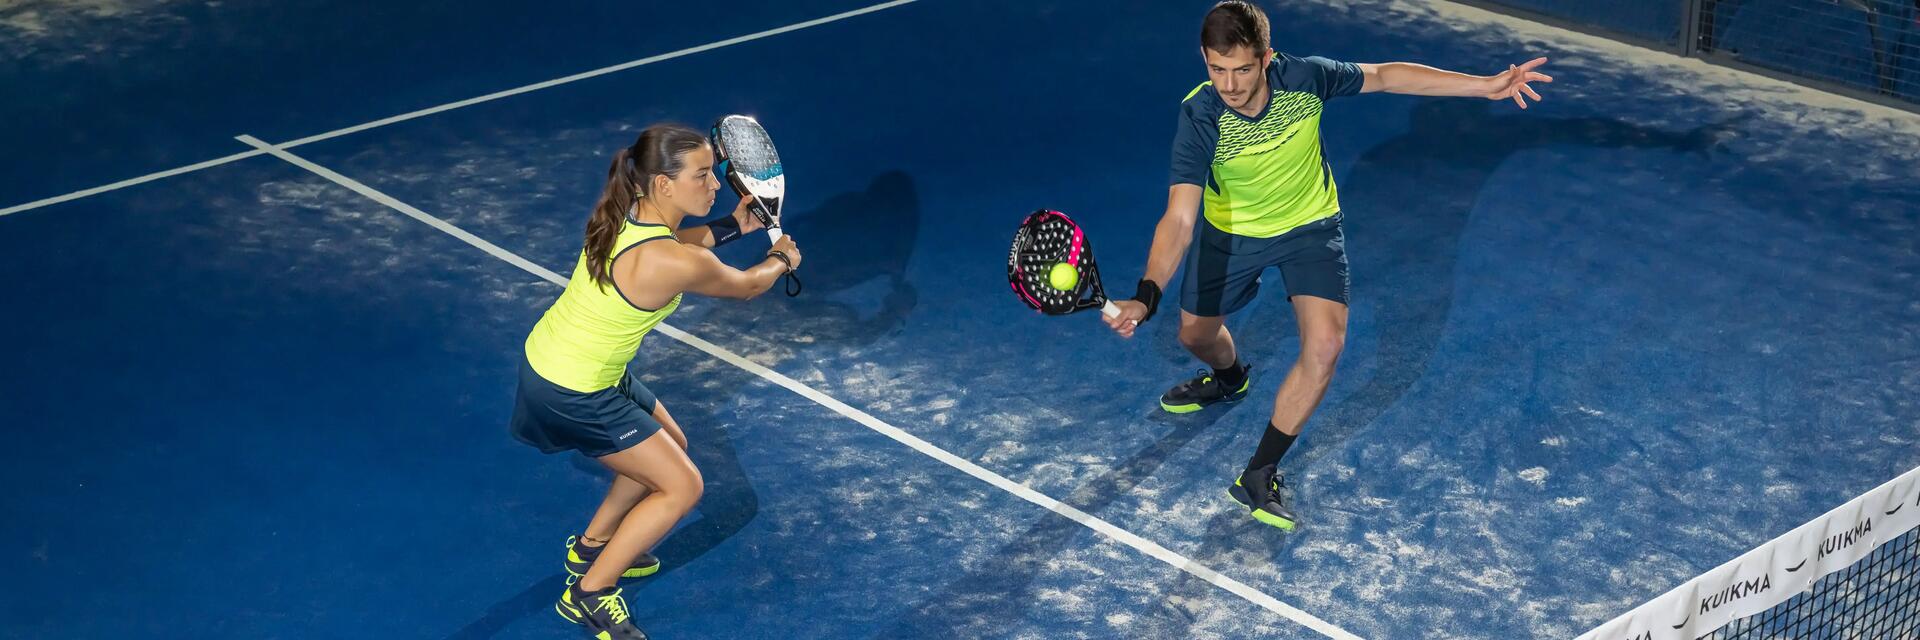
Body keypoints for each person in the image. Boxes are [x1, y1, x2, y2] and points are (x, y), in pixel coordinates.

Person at [1101, 0, 1551, 531]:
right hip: (1233, 236)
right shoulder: (1201, 114)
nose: (1229, 83)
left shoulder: (1305, 78)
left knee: (1326, 346)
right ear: (1204, 60)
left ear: (1266, 58)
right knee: (1195, 336)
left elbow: (1384, 76)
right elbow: (1179, 217)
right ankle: (1228, 378)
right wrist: (1147, 293)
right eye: (1217, 69)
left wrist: (1484, 85)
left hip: (1311, 227)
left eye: (1242, 68)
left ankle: (1260, 470)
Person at [509, 124, 800, 639]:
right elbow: (745, 288)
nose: (719, 184)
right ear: (664, 184)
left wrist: (734, 227)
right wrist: (781, 260)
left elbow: (677, 245)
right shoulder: (671, 260)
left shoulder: (626, 217)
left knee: (673, 446)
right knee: (683, 485)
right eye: (705, 174)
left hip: (564, 361)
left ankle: (592, 546)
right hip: (574, 388)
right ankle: (592, 594)